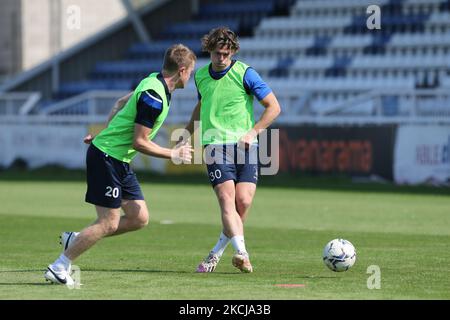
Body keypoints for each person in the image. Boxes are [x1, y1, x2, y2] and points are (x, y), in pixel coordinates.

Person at [44, 44, 196, 285]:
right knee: (109, 222)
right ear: (182, 70)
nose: (192, 77)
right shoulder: (154, 97)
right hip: (107, 158)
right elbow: (139, 142)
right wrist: (173, 153)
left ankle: (77, 238)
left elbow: (118, 104)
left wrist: (106, 133)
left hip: (116, 158)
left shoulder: (152, 80)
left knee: (139, 218)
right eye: (191, 72)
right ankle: (59, 266)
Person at [184, 27, 281, 273]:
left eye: (226, 54)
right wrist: (186, 135)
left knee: (243, 203)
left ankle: (214, 254)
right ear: (209, 50)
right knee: (226, 199)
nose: (221, 58)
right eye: (217, 53)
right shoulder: (200, 76)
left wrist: (253, 132)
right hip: (214, 145)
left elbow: (273, 107)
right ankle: (242, 254)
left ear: (233, 51)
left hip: (246, 145)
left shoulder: (246, 73)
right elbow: (201, 105)